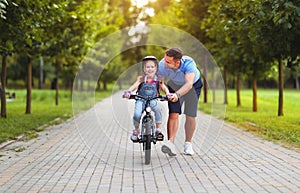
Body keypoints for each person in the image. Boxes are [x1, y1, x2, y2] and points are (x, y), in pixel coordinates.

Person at [157, 47, 203, 156]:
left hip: (192, 86)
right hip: (174, 84)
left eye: (168, 61)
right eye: (165, 59)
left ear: (177, 62)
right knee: (173, 113)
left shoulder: (189, 64)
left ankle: (188, 144)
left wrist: (177, 95)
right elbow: (160, 82)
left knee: (190, 115)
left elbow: (189, 84)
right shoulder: (163, 64)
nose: (165, 63)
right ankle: (170, 144)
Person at [123, 56, 170, 142]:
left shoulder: (158, 78)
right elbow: (135, 85)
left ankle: (158, 130)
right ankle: (136, 130)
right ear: (144, 68)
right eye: (147, 67)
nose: (150, 69)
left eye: (152, 67)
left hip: (153, 99)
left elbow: (163, 87)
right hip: (141, 99)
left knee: (158, 109)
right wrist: (128, 92)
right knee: (137, 114)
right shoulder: (141, 78)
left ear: (156, 68)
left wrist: (168, 94)